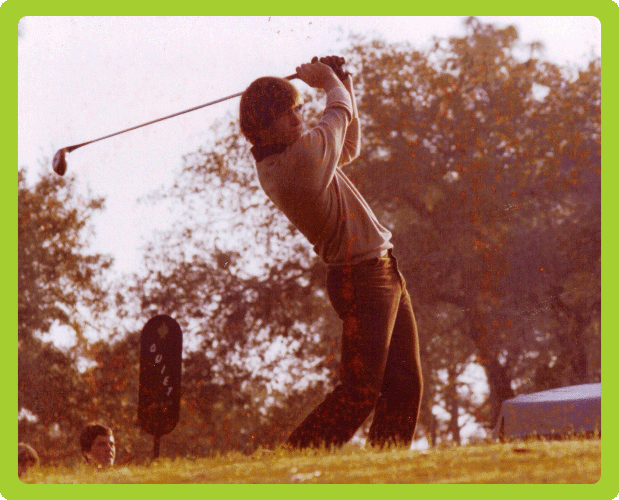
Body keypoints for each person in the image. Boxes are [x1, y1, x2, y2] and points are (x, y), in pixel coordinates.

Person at [239, 56, 423, 449]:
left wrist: (345, 80)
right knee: (361, 390)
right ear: (263, 127)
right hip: (361, 277)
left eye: (296, 109)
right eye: (285, 113)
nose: (296, 118)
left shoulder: (293, 155)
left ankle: (385, 471)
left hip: (378, 271)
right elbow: (338, 110)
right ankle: (293, 457)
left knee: (404, 382)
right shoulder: (297, 162)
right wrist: (327, 82)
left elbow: (349, 145)